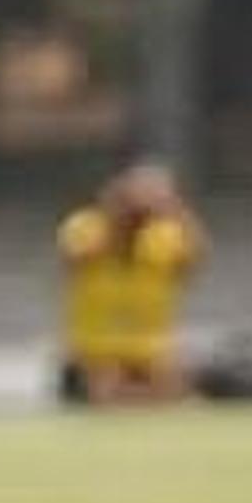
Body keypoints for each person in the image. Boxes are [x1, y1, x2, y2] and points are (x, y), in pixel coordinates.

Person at [57, 159, 204, 406]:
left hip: (151, 349)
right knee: (107, 387)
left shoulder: (165, 233)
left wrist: (175, 210)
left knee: (178, 388)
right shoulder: (87, 226)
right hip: (95, 347)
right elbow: (74, 261)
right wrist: (119, 216)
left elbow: (192, 262)